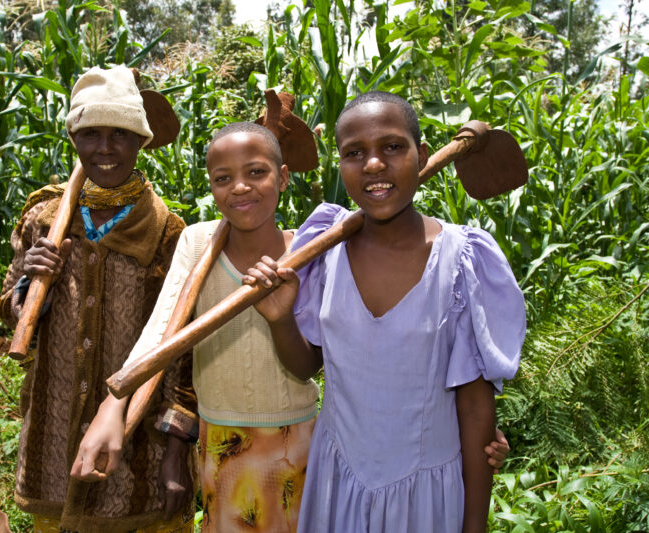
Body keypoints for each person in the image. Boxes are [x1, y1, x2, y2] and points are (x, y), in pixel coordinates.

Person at [75, 113, 513, 531]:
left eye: (257, 173)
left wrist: (465, 436)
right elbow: (163, 330)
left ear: (282, 178)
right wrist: (113, 403)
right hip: (229, 446)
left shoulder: (313, 251)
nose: (241, 188)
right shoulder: (209, 241)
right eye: (223, 179)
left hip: (305, 449)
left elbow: (354, 361)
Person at [244, 90, 525, 532]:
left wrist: (473, 525)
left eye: (392, 147)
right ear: (340, 164)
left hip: (427, 493)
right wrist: (280, 318)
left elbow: (474, 408)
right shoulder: (324, 250)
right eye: (355, 153)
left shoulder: (460, 260)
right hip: (339, 483)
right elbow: (304, 367)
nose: (374, 165)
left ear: (422, 155)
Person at [0, 66, 197, 533]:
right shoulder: (44, 220)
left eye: (120, 135)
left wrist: (175, 451)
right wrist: (31, 285)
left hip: (136, 454)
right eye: (90, 134)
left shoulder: (169, 232)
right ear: (73, 139)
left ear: (140, 141)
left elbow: (182, 354)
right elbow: (9, 309)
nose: (104, 149)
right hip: (52, 445)